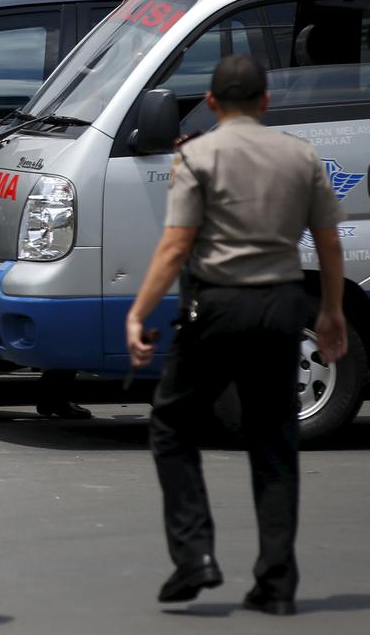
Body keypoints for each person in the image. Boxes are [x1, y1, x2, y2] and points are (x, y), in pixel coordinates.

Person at [126, 55, 346, 616]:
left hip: (218, 306)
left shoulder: (197, 156)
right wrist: (332, 314)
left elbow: (176, 245)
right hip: (281, 306)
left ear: (215, 104)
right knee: (274, 440)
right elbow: (329, 242)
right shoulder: (301, 155)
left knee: (173, 423)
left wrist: (139, 312)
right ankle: (276, 583)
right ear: (266, 102)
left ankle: (195, 554)